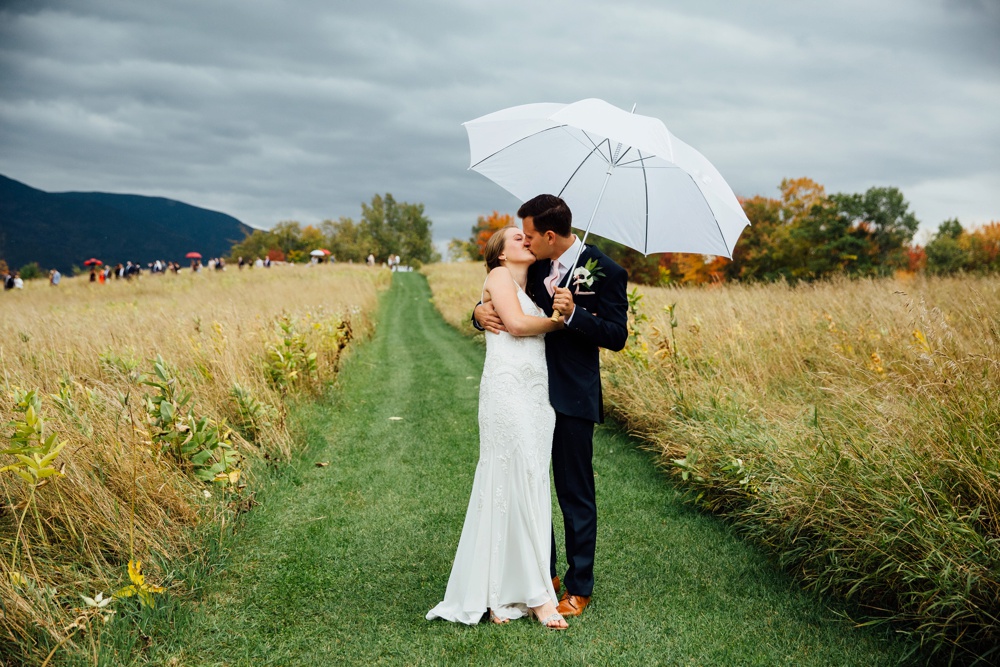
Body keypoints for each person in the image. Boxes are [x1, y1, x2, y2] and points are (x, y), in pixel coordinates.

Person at [473, 194, 628, 618]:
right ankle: (543, 573)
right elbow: (503, 290)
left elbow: (616, 335)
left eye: (529, 234)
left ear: (549, 235)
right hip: (528, 395)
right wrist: (478, 312)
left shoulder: (607, 271)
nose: (525, 240)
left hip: (573, 394)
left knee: (574, 492)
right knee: (530, 481)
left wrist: (576, 315)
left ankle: (579, 586)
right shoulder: (535, 261)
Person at [428, 225, 569, 630]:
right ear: (501, 254)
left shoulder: (544, 280)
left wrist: (563, 309)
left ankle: (502, 593)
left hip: (538, 396)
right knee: (509, 480)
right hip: (507, 393)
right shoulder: (497, 276)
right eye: (516, 238)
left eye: (527, 237)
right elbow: (518, 325)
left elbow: (524, 316)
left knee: (529, 481)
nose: (526, 240)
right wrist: (561, 322)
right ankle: (538, 597)